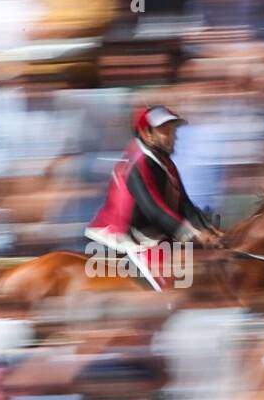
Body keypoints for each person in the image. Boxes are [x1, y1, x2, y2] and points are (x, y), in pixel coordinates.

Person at [84, 105, 219, 290]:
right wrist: (193, 233)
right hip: (125, 237)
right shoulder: (138, 163)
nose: (173, 136)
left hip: (150, 234)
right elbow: (154, 210)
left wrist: (207, 228)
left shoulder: (165, 162)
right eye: (165, 131)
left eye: (173, 130)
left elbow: (185, 204)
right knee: (172, 288)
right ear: (147, 134)